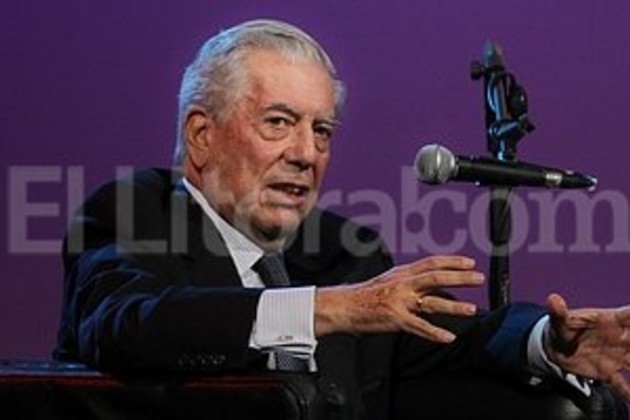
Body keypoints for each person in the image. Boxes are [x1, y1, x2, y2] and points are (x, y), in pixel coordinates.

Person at [54, 19, 630, 419]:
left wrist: (547, 340)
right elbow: (126, 325)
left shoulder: (345, 251)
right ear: (202, 136)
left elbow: (462, 333)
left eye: (322, 130)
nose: (307, 153)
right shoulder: (135, 212)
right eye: (279, 123)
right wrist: (327, 308)